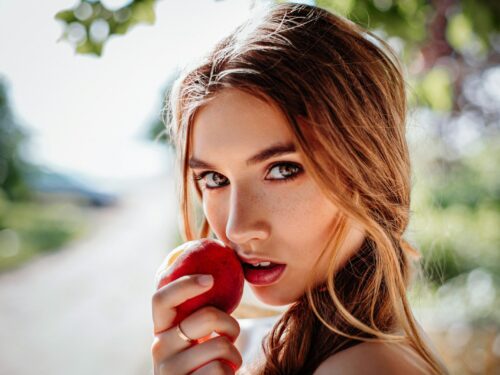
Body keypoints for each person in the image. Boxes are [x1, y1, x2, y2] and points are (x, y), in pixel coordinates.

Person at [151, 2, 449, 374]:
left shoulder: (363, 367)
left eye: (282, 169)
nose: (236, 228)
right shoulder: (250, 344)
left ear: (370, 170)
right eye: (214, 179)